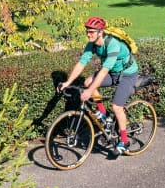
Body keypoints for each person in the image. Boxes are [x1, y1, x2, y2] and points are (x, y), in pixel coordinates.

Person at [59, 16, 139, 155]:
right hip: (114, 73)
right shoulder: (92, 44)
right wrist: (68, 82)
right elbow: (81, 64)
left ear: (100, 32)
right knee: (87, 82)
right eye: (87, 31)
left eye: (91, 31)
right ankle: (103, 113)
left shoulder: (113, 44)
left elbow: (103, 71)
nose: (88, 34)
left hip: (127, 75)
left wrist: (89, 92)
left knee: (117, 107)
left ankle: (124, 141)